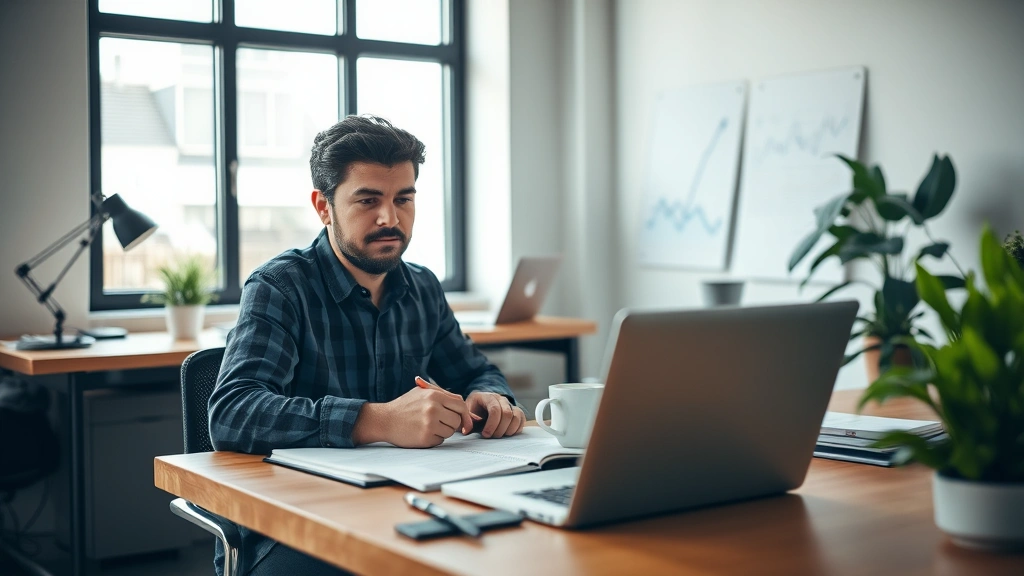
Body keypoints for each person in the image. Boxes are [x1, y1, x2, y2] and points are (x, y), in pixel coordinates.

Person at [208, 115, 526, 576]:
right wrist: (377, 419)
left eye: (404, 199)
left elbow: (476, 370)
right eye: (368, 200)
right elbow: (232, 413)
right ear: (323, 207)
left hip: (402, 506)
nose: (390, 219)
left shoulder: (422, 287)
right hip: (293, 522)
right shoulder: (280, 286)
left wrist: (491, 398)